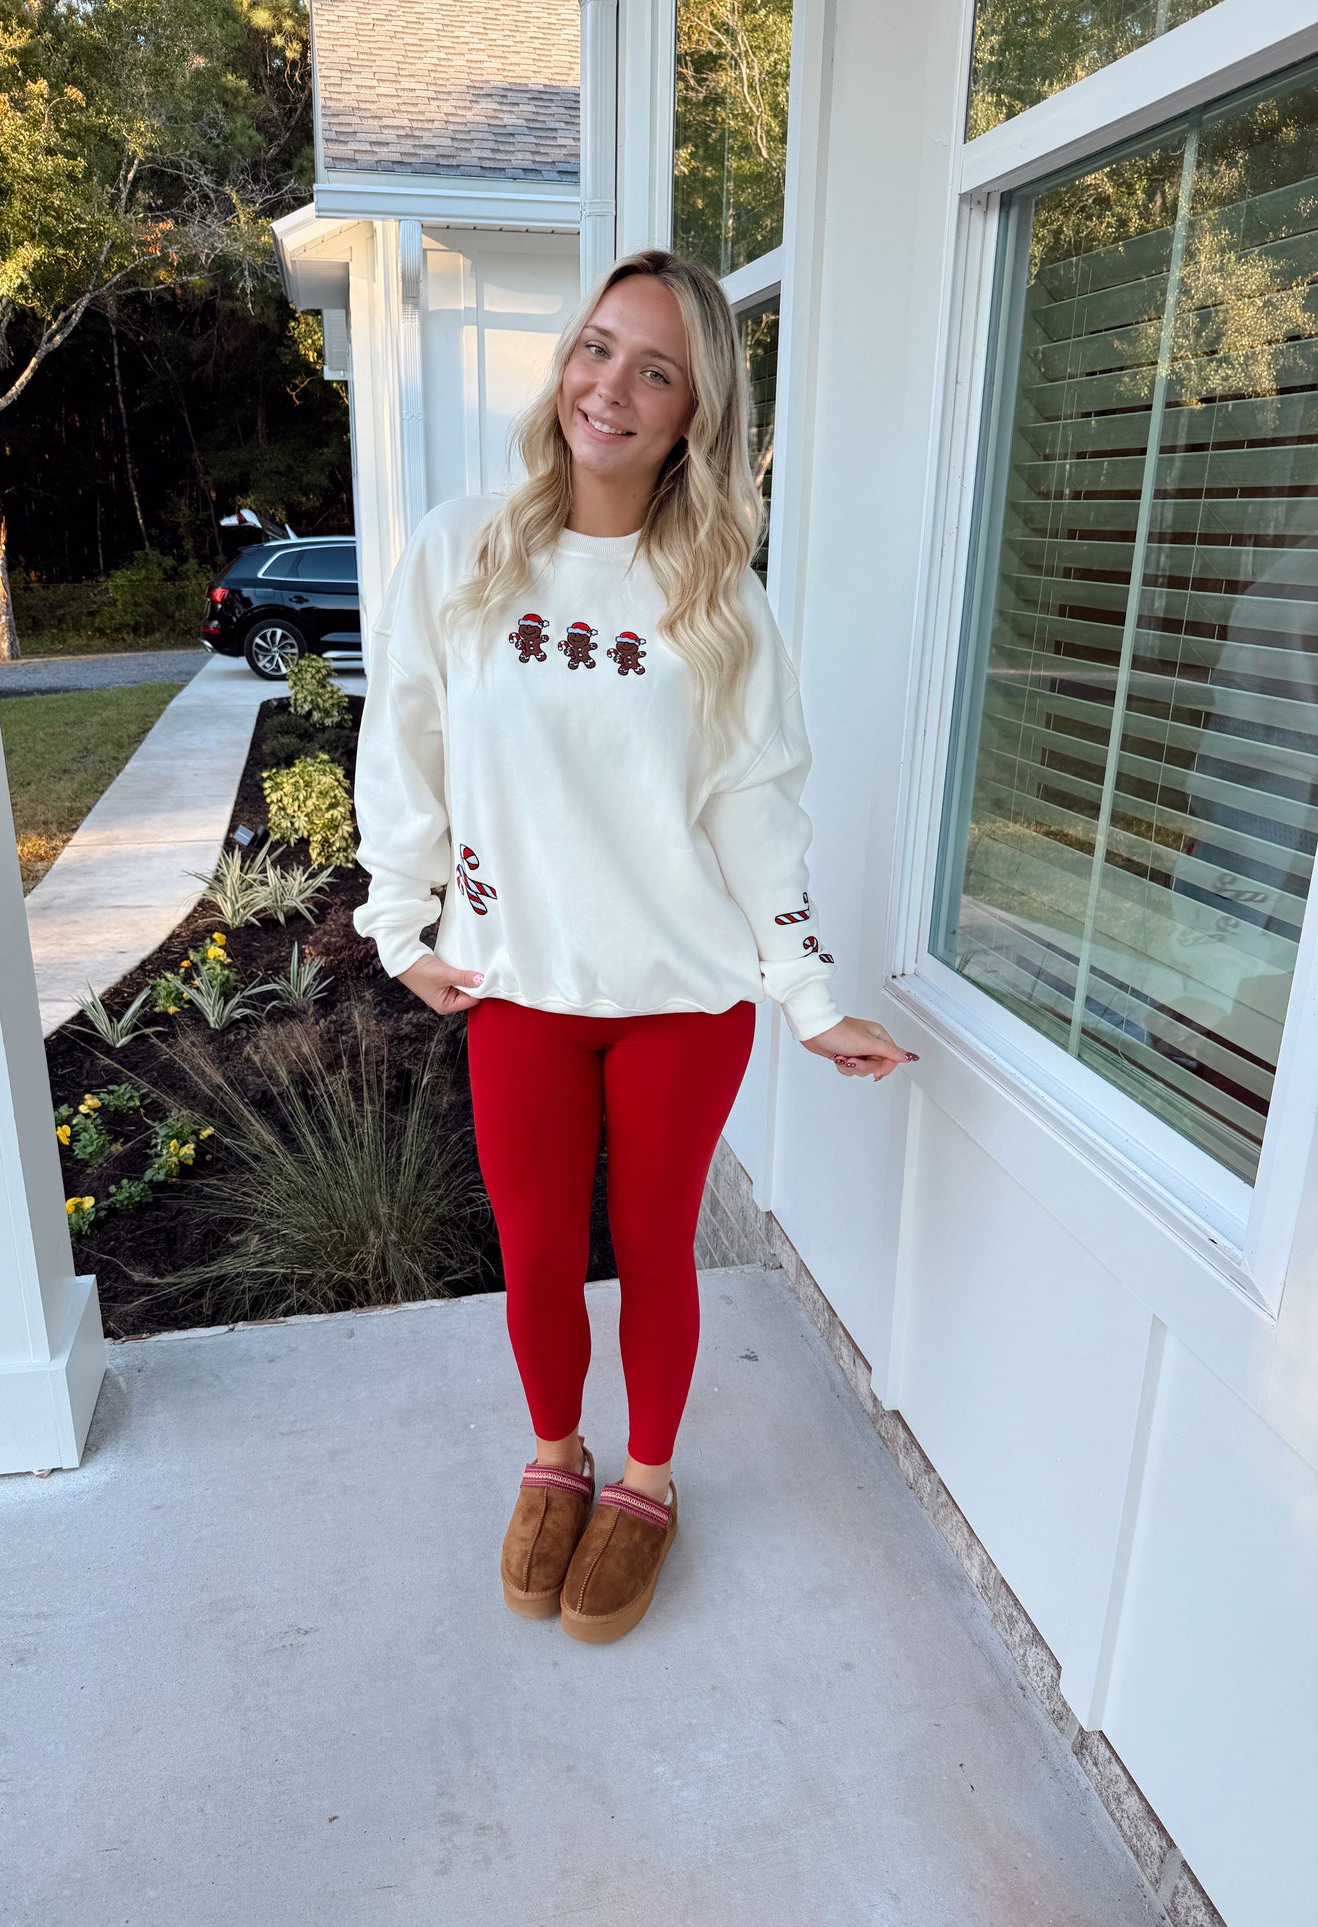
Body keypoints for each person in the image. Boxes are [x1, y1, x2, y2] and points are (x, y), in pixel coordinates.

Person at [351, 248, 916, 1645]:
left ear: (691, 414)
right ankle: (556, 1457)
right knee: (539, 1252)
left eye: (654, 370)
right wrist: (398, 920)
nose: (609, 386)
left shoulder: (717, 597)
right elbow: (407, 738)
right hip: (520, 984)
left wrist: (807, 995)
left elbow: (756, 810)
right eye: (597, 347)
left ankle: (648, 1482)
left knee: (654, 1247)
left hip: (683, 996)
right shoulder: (463, 550)